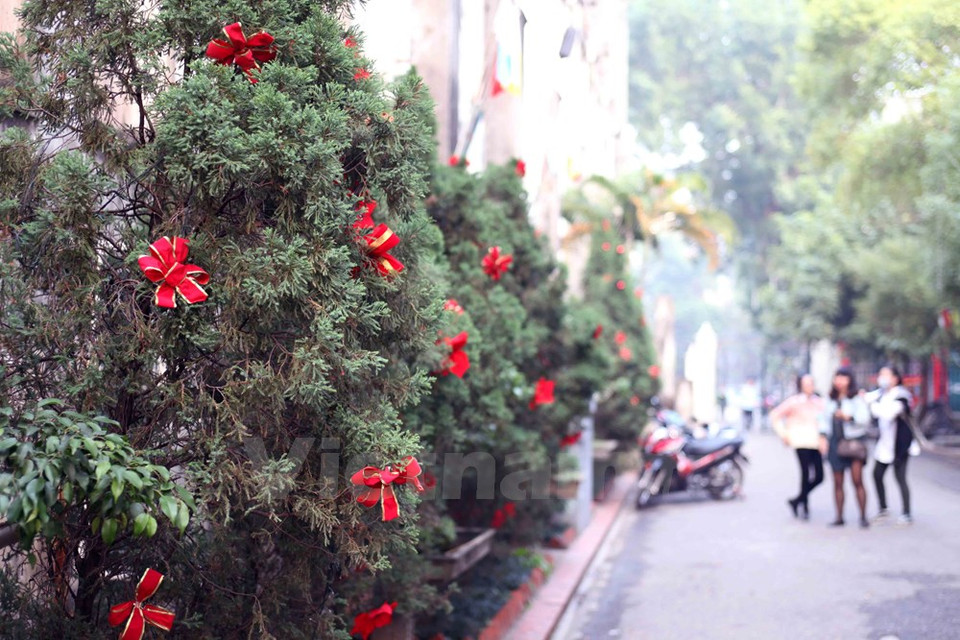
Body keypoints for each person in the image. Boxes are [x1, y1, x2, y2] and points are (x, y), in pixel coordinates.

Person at [818, 368, 870, 528]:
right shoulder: (830, 399)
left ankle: (863, 516)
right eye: (837, 377)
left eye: (843, 378)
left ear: (850, 380)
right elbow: (823, 420)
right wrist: (822, 437)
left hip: (853, 443)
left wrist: (848, 417)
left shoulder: (856, 399)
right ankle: (839, 516)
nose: (840, 381)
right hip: (835, 443)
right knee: (837, 481)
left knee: (857, 480)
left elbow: (864, 419)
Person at [865, 365, 916, 525]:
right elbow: (865, 397)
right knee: (876, 475)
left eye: (886, 375)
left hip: (900, 445)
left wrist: (873, 406)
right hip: (884, 445)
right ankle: (883, 508)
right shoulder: (881, 393)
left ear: (895, 378)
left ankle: (907, 513)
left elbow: (887, 414)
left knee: (900, 477)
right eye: (881, 374)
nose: (883, 378)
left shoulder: (902, 395)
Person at [770, 374, 825, 520]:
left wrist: (824, 441)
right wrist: (784, 434)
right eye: (806, 384)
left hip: (815, 442)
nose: (809, 386)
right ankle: (804, 505)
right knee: (805, 473)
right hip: (800, 442)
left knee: (819, 476)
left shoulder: (818, 402)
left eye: (811, 383)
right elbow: (775, 415)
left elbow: (824, 422)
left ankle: (797, 500)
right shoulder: (794, 402)